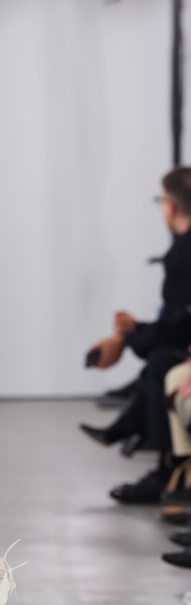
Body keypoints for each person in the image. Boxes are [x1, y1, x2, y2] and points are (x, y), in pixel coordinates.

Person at [81, 167, 191, 503]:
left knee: (160, 363)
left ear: (170, 206)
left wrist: (131, 338)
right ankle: (148, 449)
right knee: (160, 363)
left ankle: (165, 471)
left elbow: (177, 328)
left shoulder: (182, 254)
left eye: (160, 201)